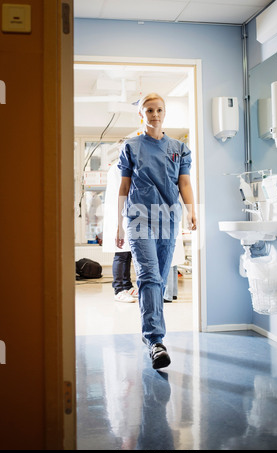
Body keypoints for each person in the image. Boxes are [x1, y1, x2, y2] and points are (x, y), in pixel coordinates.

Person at [116, 93, 197, 369]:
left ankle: (151, 334)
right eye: (149, 110)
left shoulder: (178, 148)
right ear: (142, 114)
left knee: (160, 279)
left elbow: (184, 183)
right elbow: (124, 187)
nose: (154, 114)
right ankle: (155, 340)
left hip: (168, 219)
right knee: (149, 275)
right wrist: (117, 222)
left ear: (165, 112)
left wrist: (191, 210)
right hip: (139, 218)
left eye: (159, 109)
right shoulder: (131, 146)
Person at [103, 161, 138, 303]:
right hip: (120, 215)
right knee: (121, 254)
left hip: (125, 213)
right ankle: (118, 289)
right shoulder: (118, 168)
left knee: (127, 253)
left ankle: (127, 286)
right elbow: (123, 190)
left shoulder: (123, 166)